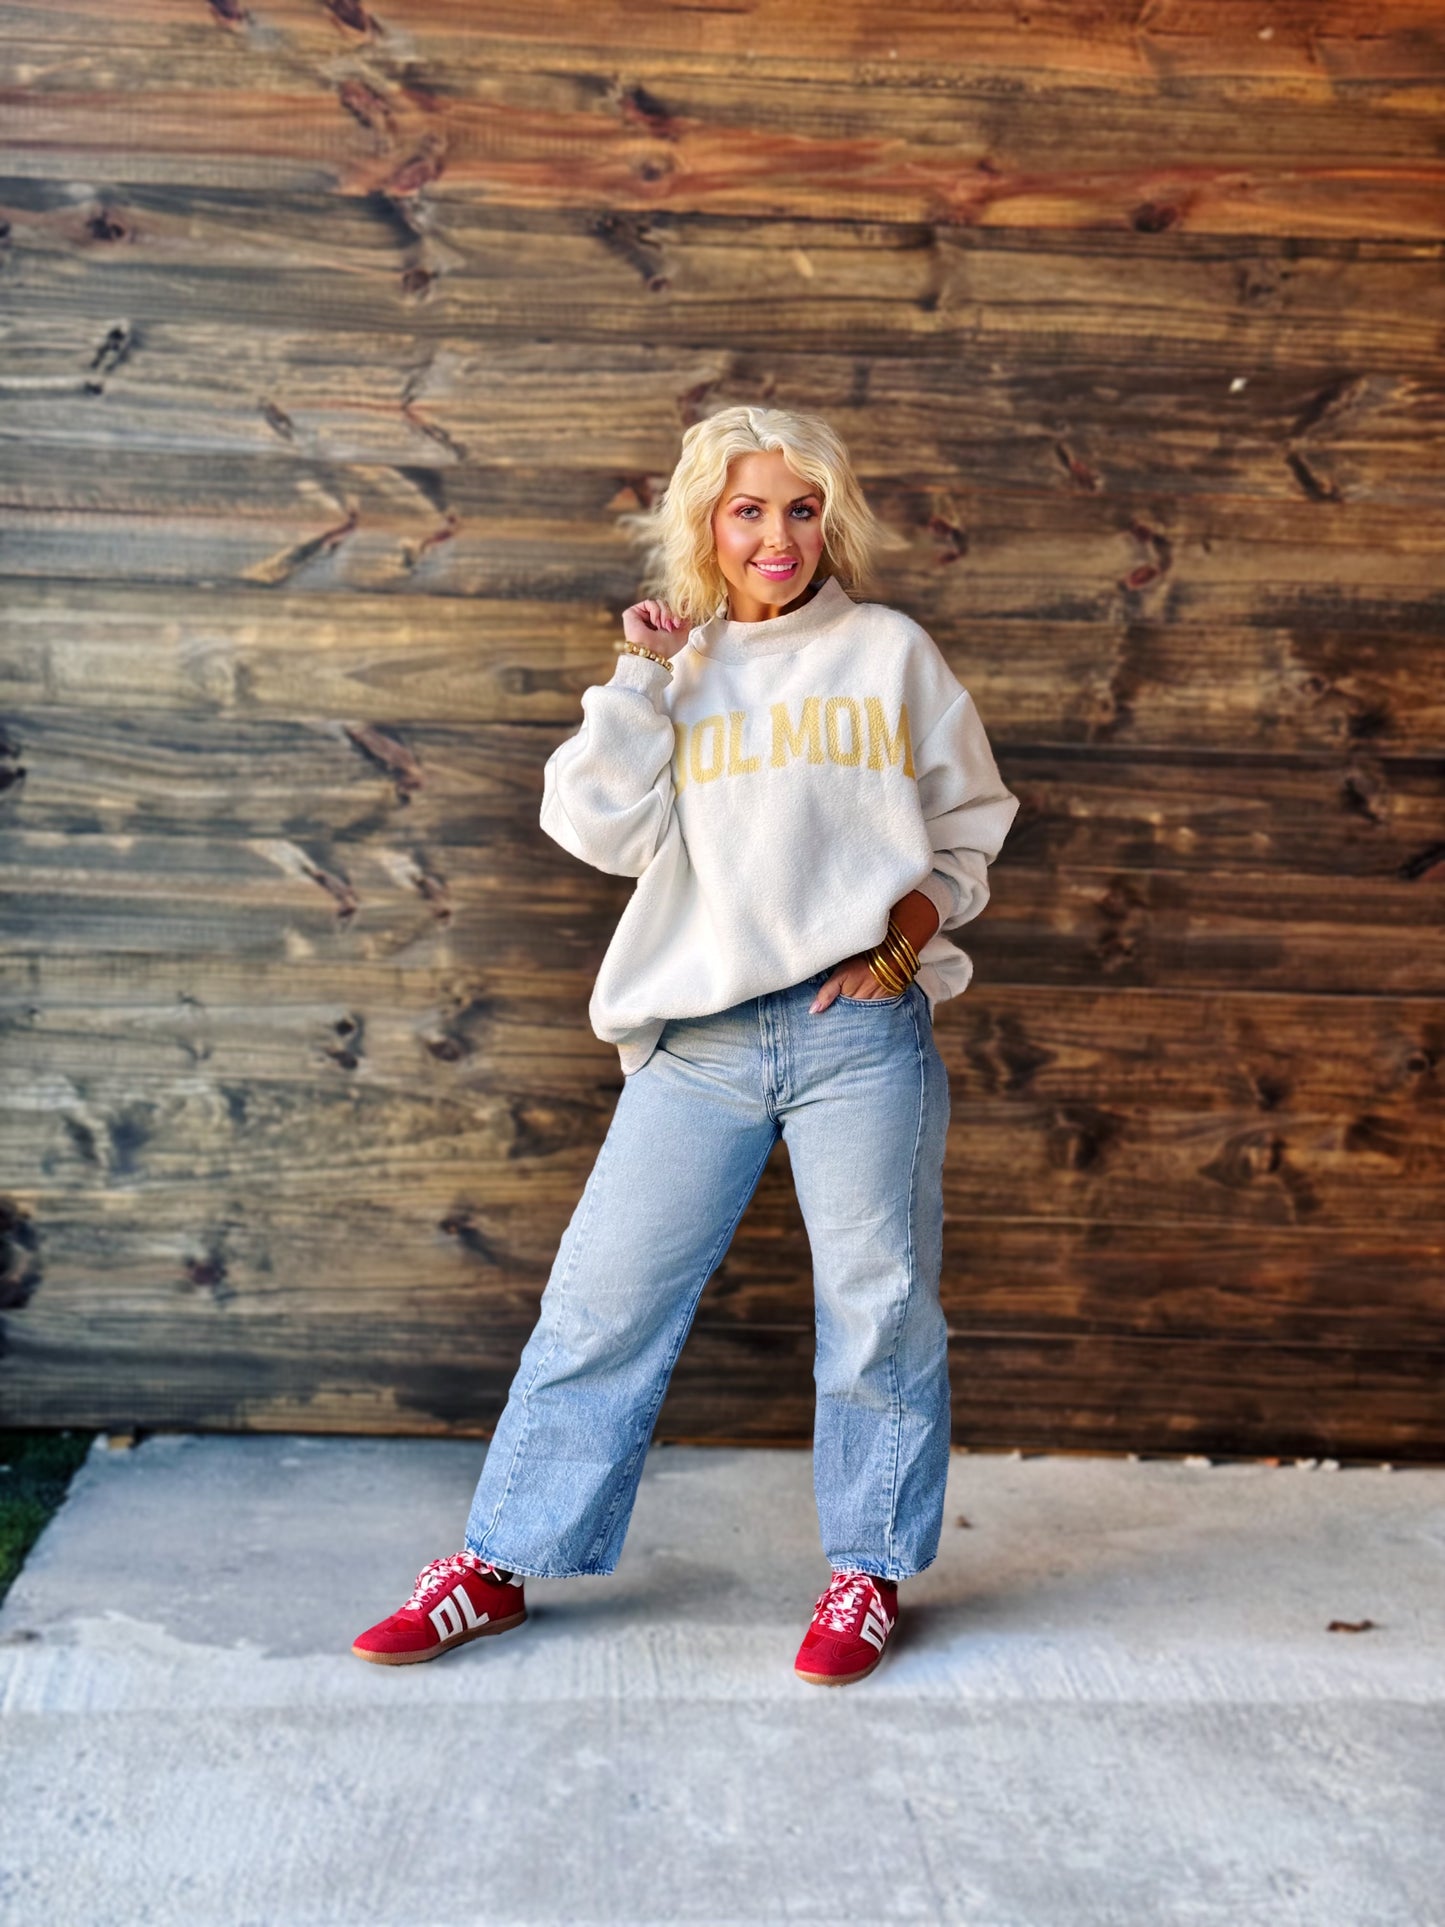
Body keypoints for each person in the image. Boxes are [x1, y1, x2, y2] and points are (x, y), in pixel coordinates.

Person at [352, 405, 1020, 1685]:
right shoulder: (677, 665)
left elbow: (970, 827)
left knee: (877, 1309)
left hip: (858, 1032)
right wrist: (639, 679)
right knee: (601, 1300)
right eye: (749, 509)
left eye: (802, 507)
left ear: (831, 518)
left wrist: (903, 934)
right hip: (699, 1037)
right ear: (705, 522)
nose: (777, 535)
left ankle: (865, 1573)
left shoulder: (886, 652)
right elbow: (596, 828)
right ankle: (493, 1567)